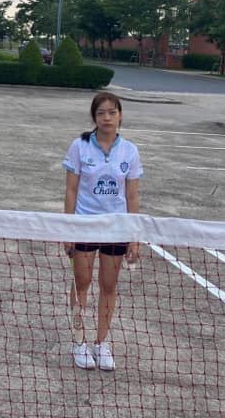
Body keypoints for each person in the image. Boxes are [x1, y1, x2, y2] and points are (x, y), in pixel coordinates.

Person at [63, 91, 142, 372]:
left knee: (108, 285)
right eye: (101, 113)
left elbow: (132, 195)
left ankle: (102, 342)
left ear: (120, 115)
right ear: (94, 117)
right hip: (85, 225)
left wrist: (134, 236)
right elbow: (71, 190)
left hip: (116, 228)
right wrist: (68, 229)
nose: (107, 118)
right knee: (81, 282)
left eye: (112, 112)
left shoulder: (129, 151)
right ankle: (79, 341)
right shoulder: (80, 146)